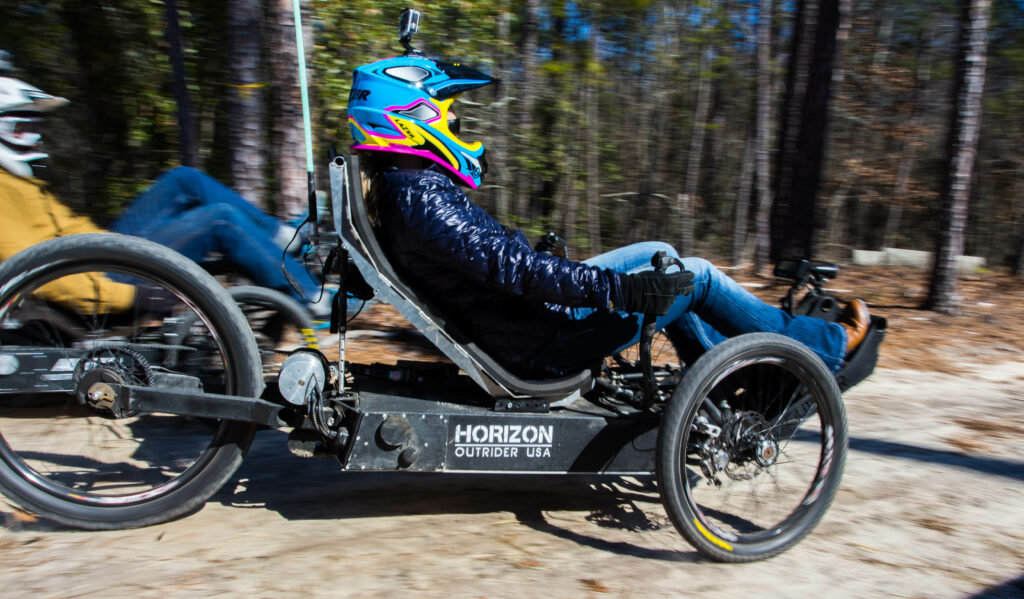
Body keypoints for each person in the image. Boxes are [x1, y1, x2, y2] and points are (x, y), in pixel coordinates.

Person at [347, 53, 870, 378]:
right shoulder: (422, 199)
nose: (458, 124)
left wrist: (532, 249)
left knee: (663, 260)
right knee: (695, 279)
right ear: (411, 118)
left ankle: (720, 375)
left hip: (524, 319)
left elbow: (494, 261)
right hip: (539, 339)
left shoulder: (410, 189)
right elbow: (519, 274)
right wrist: (617, 291)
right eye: (449, 113)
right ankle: (822, 347)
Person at [0, 60, 326, 316]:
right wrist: (128, 294)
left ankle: (284, 239)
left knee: (185, 179)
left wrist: (122, 246)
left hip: (99, 257)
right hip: (101, 283)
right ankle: (311, 296)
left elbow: (71, 229)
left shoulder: (18, 181)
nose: (35, 137)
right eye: (21, 128)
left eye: (34, 125)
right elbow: (38, 270)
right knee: (220, 219)